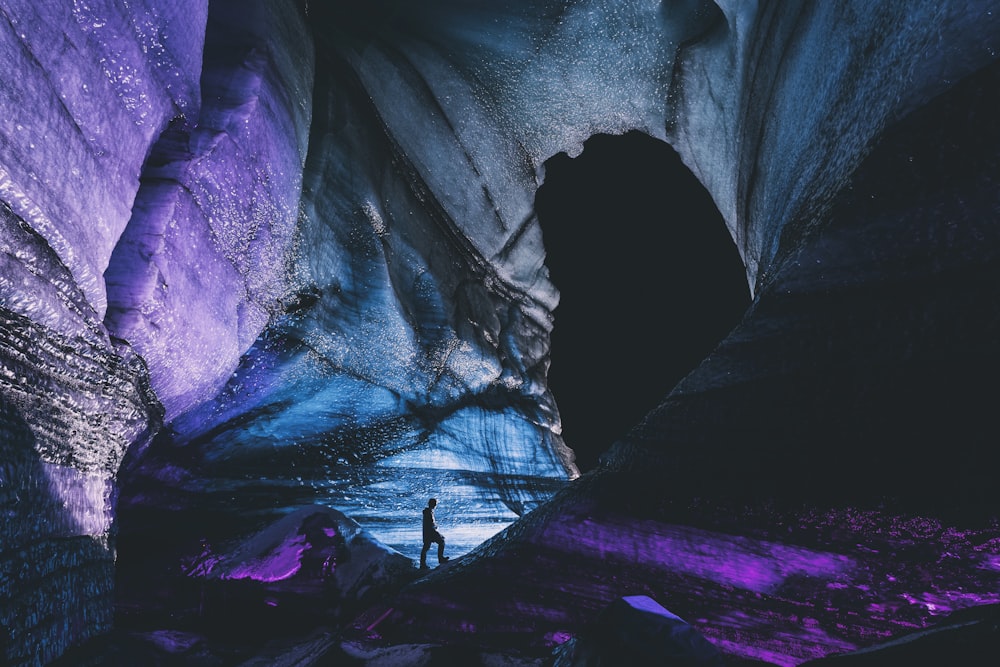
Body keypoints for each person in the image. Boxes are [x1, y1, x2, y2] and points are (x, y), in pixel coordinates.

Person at [420, 497, 449, 568]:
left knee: (426, 547)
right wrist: (435, 528)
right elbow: (430, 524)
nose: (435, 505)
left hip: (427, 532)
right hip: (430, 532)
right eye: (435, 504)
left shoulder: (428, 511)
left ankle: (423, 564)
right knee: (441, 541)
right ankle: (440, 558)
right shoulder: (428, 512)